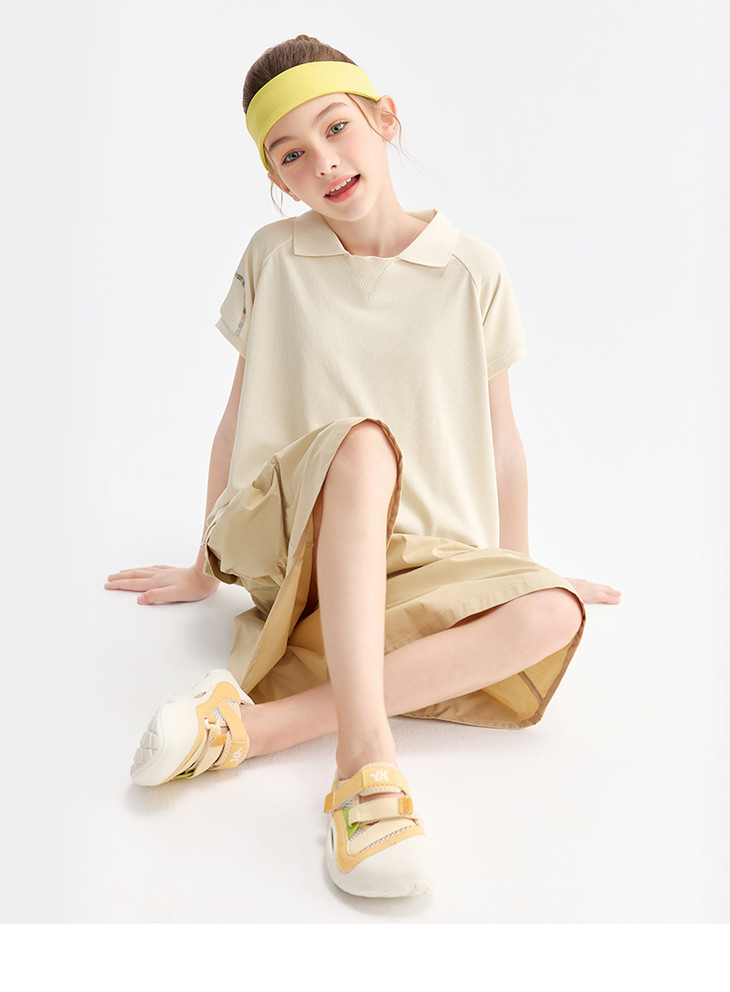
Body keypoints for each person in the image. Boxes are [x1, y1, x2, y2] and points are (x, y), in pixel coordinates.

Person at [105, 34, 621, 899]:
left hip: (409, 564)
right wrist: (202, 568)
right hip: (293, 545)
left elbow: (503, 442)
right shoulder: (274, 256)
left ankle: (254, 730)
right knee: (363, 444)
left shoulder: (472, 270)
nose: (324, 162)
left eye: (337, 127)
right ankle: (364, 761)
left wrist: (518, 572)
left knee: (554, 614)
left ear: (384, 119)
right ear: (278, 179)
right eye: (291, 154)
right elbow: (235, 417)